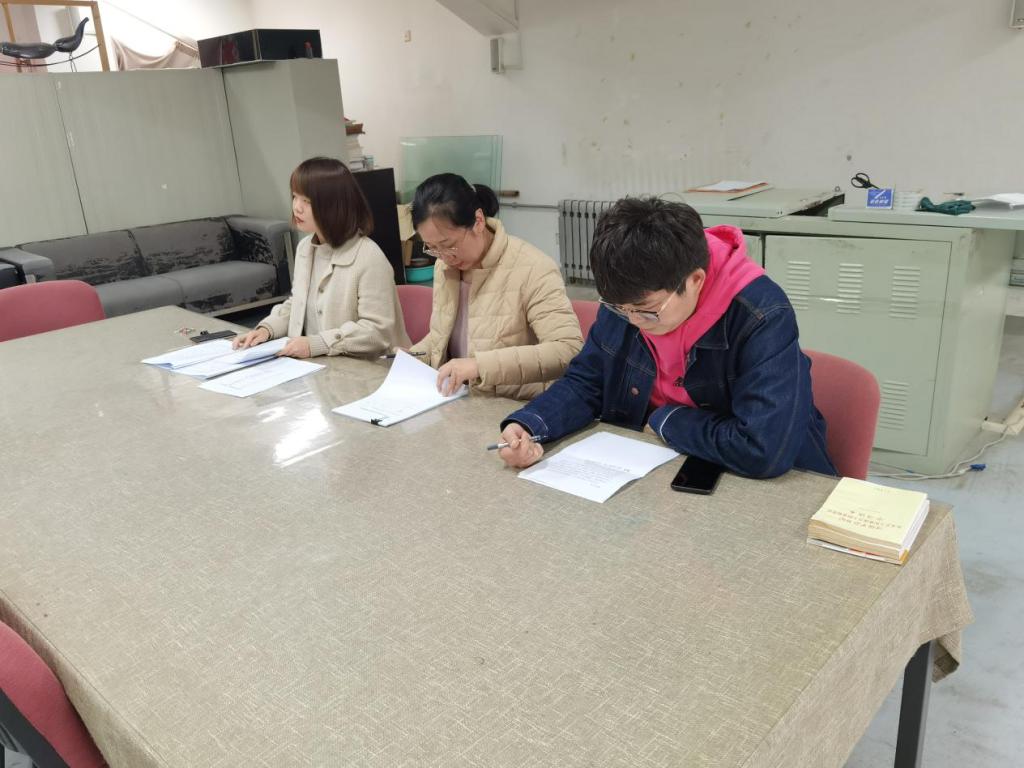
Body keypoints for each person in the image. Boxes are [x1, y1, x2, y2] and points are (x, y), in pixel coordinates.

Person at [497, 197, 837, 479]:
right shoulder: (628, 300)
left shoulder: (761, 315)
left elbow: (763, 449)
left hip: (753, 484)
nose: (633, 320)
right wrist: (530, 424)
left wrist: (665, 420)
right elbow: (588, 381)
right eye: (620, 309)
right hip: (655, 466)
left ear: (695, 281)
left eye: (647, 311)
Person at [408, 173, 583, 399]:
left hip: (515, 406)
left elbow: (567, 349)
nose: (443, 256)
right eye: (431, 248)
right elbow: (448, 334)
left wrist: (479, 366)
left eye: (448, 244)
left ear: (478, 221)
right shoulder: (444, 266)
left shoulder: (534, 268)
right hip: (459, 401)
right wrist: (413, 356)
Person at [234, 156, 410, 357]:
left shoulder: (369, 257)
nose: (297, 207)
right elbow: (298, 303)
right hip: (321, 366)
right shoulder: (305, 248)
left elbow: (376, 332)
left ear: (334, 206)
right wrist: (267, 329)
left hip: (367, 368)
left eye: (307, 201)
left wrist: (316, 344)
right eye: (295, 197)